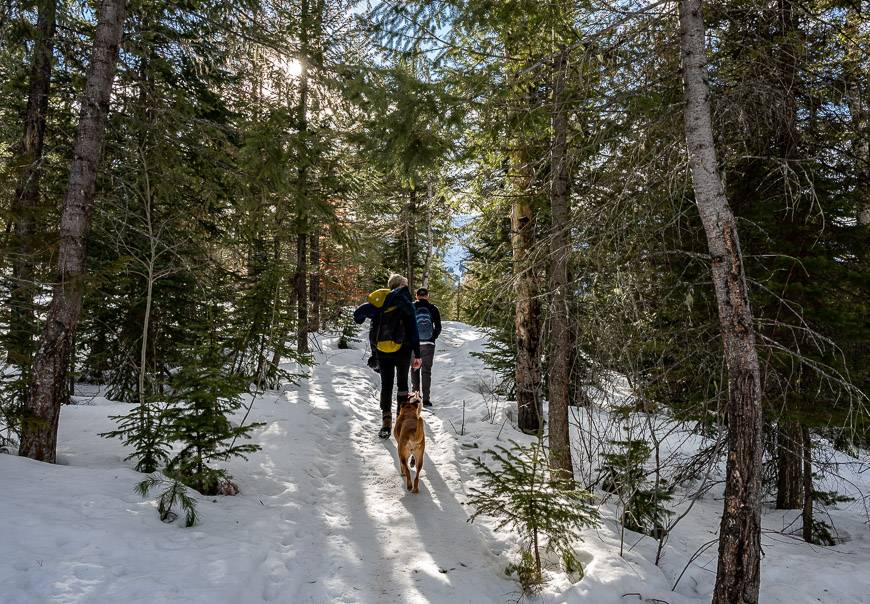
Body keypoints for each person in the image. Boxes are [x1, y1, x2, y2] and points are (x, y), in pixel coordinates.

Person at [354, 274, 422, 438]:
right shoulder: (405, 301)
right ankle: (401, 419)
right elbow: (413, 330)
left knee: (386, 385)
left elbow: (358, 316)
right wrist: (418, 355)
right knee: (402, 384)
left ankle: (386, 423)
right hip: (403, 350)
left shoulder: (379, 300)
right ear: (402, 286)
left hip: (382, 350)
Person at [411, 287, 441, 408]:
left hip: (414, 344)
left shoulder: (412, 307)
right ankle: (427, 400)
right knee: (426, 371)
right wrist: (432, 337)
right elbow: (438, 327)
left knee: (414, 370)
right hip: (429, 344)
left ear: (416, 296)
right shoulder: (433, 308)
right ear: (427, 296)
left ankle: (416, 398)